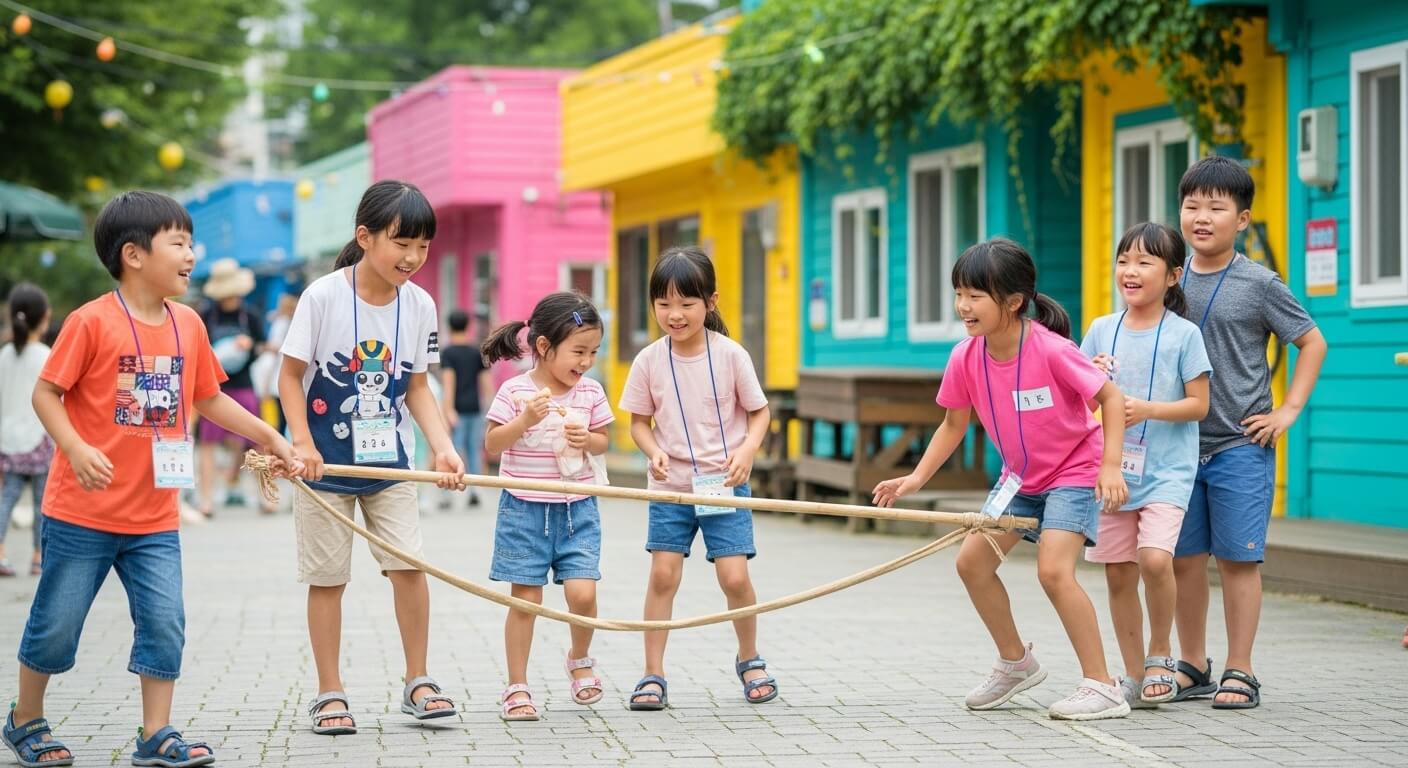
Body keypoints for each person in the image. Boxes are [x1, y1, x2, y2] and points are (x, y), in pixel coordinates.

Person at [3, 190, 301, 768]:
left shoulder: (188, 324)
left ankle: (156, 734)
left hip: (155, 516)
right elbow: (47, 392)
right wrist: (75, 446)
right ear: (134, 255)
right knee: (56, 625)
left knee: (165, 622)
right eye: (180, 242)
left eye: (191, 242)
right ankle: (25, 719)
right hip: (81, 513)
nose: (192, 254)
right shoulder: (90, 322)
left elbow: (208, 396)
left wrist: (269, 437)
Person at [873, 237, 1132, 720]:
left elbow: (1111, 400)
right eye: (959, 294)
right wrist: (914, 478)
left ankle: (1103, 685)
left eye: (975, 295)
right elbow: (952, 426)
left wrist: (1110, 465)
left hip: (1073, 472)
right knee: (971, 564)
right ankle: (1016, 662)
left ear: (1013, 302)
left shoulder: (1053, 351)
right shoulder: (965, 356)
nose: (963, 306)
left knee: (1054, 571)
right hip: (1020, 480)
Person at [279, 179, 466, 736]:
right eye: (400, 242)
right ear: (365, 237)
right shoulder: (323, 296)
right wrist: (302, 443)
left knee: (409, 566)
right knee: (328, 578)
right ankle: (329, 692)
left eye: (423, 246)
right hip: (325, 466)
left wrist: (443, 447)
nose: (413, 257)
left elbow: (416, 386)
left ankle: (418, 680)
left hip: (390, 466)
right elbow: (288, 377)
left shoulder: (421, 303)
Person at [1169, 156, 1327, 710]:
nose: (1202, 217)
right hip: (1179, 447)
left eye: (1216, 207)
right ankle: (1193, 664)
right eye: (1192, 206)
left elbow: (1311, 341)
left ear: (1243, 218)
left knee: (1238, 559)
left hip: (1241, 443)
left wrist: (1288, 410)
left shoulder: (1259, 283)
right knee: (1182, 560)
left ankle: (1242, 669)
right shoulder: (1169, 277)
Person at [619, 246, 776, 711]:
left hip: (721, 484)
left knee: (733, 576)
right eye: (663, 303)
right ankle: (653, 673)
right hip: (670, 489)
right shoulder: (648, 360)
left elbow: (760, 412)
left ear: (711, 302)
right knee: (664, 575)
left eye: (686, 303)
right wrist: (654, 453)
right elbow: (637, 423)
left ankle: (750, 659)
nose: (675, 313)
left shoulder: (730, 355)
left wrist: (747, 450)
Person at [1080, 223, 1212, 709]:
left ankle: (1162, 654)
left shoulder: (1185, 334)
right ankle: (1134, 675)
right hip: (1112, 473)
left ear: (1174, 275)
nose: (1130, 272)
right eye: (1123, 261)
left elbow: (1200, 405)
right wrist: (1088, 385)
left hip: (1167, 472)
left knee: (1155, 559)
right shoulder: (1099, 329)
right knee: (1118, 573)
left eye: (1144, 263)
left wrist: (1148, 408)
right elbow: (1079, 402)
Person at [481, 292, 614, 721]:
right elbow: (492, 444)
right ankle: (516, 686)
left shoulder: (590, 392)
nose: (586, 361)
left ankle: (579, 659)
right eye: (578, 351)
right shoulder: (515, 391)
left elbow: (602, 441)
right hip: (524, 509)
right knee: (526, 599)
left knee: (583, 592)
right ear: (543, 347)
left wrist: (586, 440)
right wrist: (524, 422)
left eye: (593, 351)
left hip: (578, 509)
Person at [195, 258, 268, 516]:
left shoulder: (250, 316)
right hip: (213, 387)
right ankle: (206, 499)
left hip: (244, 384)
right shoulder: (205, 315)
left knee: (258, 441)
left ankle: (266, 496)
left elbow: (263, 346)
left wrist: (250, 347)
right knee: (208, 444)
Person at [0, 283, 53, 578]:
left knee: (7, 497)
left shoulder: (4, 355)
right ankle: (38, 557)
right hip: (39, 439)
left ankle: (1, 552)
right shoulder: (46, 356)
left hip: (8, 440)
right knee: (41, 503)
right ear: (45, 318)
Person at [440, 309, 490, 508]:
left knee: (453, 449)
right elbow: (486, 382)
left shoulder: (448, 353)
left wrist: (448, 410)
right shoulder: (475, 351)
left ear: (449, 327)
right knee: (473, 449)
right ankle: (475, 490)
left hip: (457, 409)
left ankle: (448, 495)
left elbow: (448, 382)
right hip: (475, 408)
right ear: (467, 327)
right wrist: (490, 407)